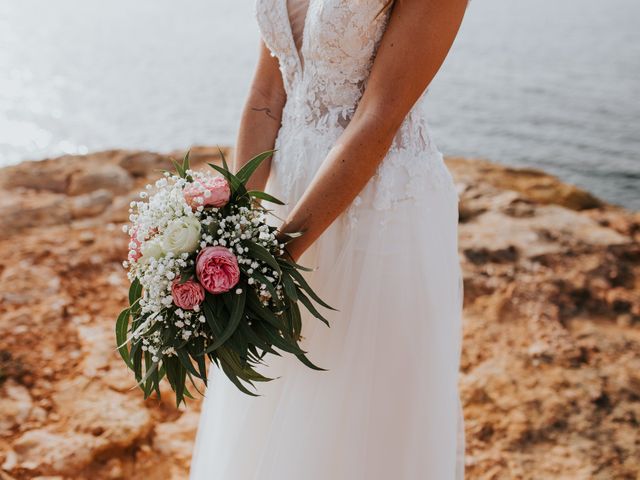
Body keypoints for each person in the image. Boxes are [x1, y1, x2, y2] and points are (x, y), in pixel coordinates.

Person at [190, 0, 468, 477]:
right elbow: (266, 93)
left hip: (378, 213)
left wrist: (280, 253)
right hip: (287, 197)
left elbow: (378, 119)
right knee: (276, 396)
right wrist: (233, 234)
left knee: (358, 409)